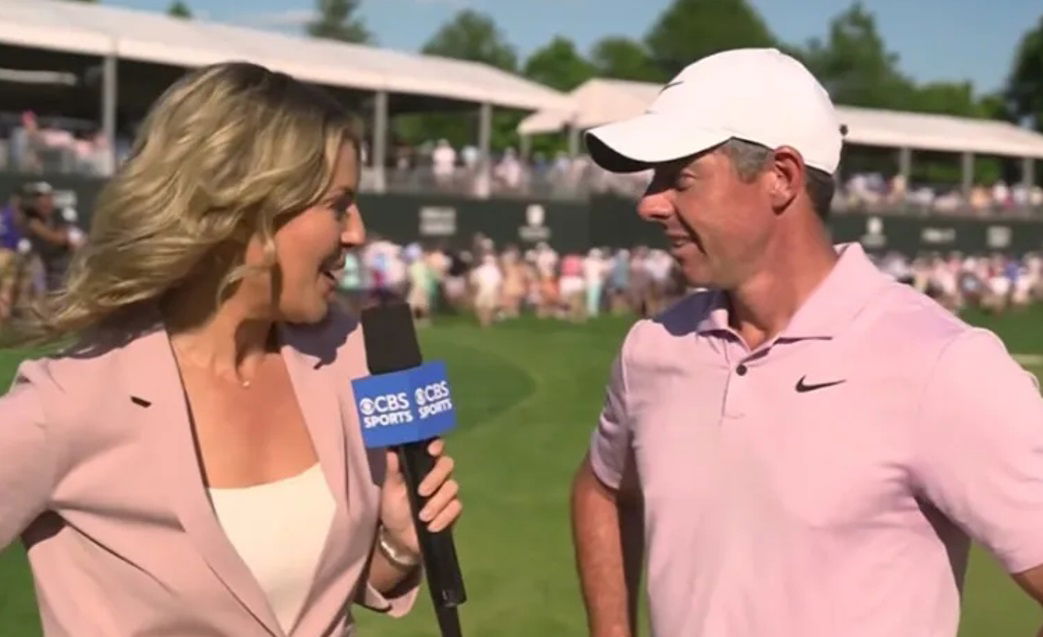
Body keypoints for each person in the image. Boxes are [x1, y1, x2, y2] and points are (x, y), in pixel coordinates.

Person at [570, 48, 1043, 637]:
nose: (650, 202)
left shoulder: (942, 364)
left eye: (679, 177)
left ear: (781, 177)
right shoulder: (654, 349)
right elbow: (603, 488)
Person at [0, 62, 462, 636]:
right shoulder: (70, 403)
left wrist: (397, 545)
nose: (357, 233)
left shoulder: (348, 359)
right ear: (250, 210)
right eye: (339, 205)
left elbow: (298, 601)